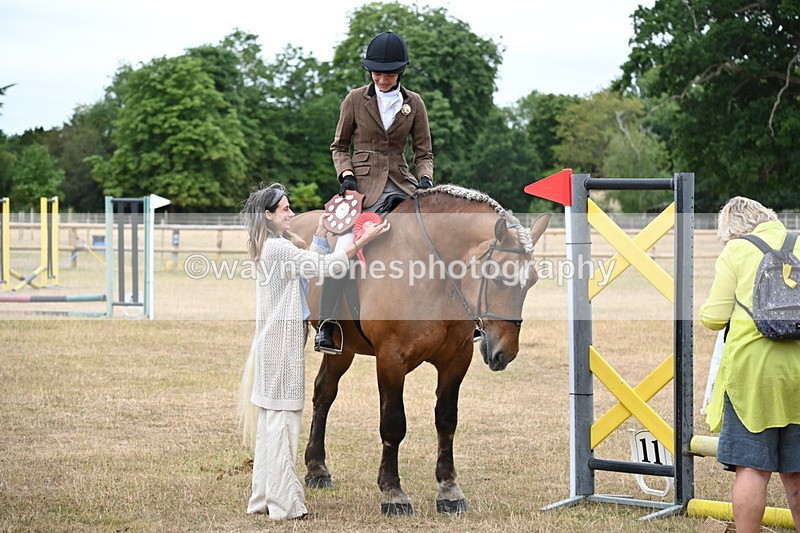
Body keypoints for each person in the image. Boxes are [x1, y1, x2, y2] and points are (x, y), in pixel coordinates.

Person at [238, 183, 389, 520]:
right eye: (285, 209)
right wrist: (361, 242)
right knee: (284, 422)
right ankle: (283, 503)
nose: (291, 213)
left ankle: (263, 497)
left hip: (275, 341)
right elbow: (329, 267)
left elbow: (312, 262)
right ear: (268, 215)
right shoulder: (278, 249)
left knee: (271, 423)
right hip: (281, 344)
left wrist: (321, 231)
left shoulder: (274, 246)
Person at [315, 30, 434, 353]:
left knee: (439, 237)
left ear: (401, 72)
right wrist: (347, 174)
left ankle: (465, 320)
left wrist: (425, 179)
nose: (382, 79)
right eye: (377, 73)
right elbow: (339, 145)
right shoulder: (354, 99)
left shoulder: (415, 103)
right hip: (363, 187)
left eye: (390, 74)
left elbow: (424, 153)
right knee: (345, 245)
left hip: (403, 182)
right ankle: (327, 323)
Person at [700, 196, 800, 533]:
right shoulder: (799, 241)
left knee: (753, 469)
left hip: (751, 377)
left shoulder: (737, 250)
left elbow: (713, 318)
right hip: (798, 373)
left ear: (733, 231)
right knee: (798, 469)